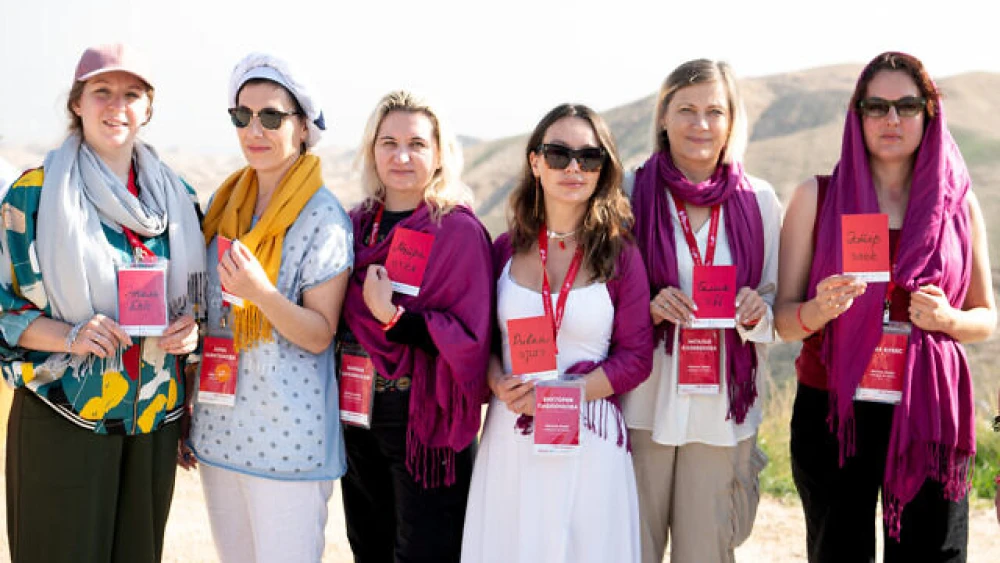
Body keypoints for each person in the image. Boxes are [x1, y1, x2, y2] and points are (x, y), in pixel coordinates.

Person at [776, 52, 996, 562]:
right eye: (876, 106)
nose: (891, 120)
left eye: (906, 106)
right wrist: (818, 310)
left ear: (929, 114)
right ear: (857, 115)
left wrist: (948, 320)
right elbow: (784, 320)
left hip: (927, 410)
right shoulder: (817, 197)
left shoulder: (958, 206)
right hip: (836, 412)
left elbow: (987, 317)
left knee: (932, 554)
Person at [0, 43, 206, 562]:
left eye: (132, 94)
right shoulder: (34, 196)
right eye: (102, 92)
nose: (117, 105)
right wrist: (69, 335)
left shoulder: (178, 198)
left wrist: (192, 333)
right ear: (77, 103)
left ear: (148, 108)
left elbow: (201, 307)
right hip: (64, 416)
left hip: (153, 423)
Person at [460, 103, 654, 563]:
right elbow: (482, 342)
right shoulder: (505, 249)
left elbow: (637, 356)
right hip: (512, 436)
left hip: (591, 439)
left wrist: (563, 395)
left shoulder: (620, 254)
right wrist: (495, 381)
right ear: (535, 162)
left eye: (589, 157)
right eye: (558, 153)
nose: (573, 167)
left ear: (602, 169)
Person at [183, 53, 353, 563]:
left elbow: (320, 333)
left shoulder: (324, 217)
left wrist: (263, 295)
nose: (254, 129)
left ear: (302, 127)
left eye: (271, 116)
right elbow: (210, 313)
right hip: (219, 433)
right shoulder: (225, 202)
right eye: (242, 116)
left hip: (287, 449)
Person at [623, 59, 781, 563]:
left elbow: (777, 304)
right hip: (642, 403)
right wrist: (645, 309)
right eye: (686, 109)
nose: (701, 124)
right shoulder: (628, 191)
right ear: (663, 117)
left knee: (706, 552)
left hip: (720, 411)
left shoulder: (759, 199)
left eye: (715, 111)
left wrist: (758, 310)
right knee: (632, 548)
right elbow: (599, 298)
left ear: (733, 121)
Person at [339, 90, 492, 562]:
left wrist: (394, 319)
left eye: (417, 144)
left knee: (426, 554)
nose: (401, 156)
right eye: (388, 142)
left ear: (440, 153)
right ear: (372, 151)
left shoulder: (459, 232)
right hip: (357, 415)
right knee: (369, 549)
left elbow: (471, 340)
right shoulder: (354, 225)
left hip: (424, 421)